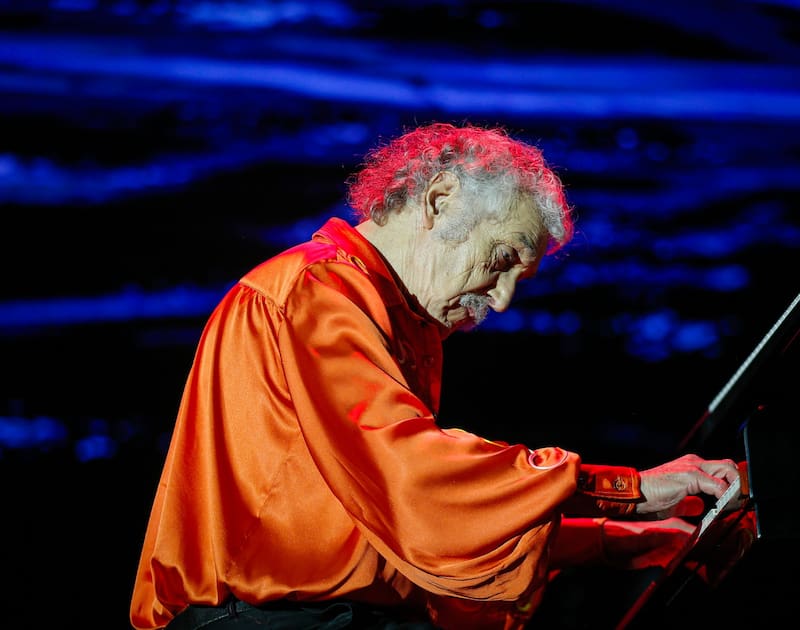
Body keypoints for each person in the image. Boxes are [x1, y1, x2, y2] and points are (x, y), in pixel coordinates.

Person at [130, 122, 746, 630]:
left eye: (519, 279)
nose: (502, 300)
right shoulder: (319, 293)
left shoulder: (399, 319)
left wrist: (611, 538)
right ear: (439, 199)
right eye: (501, 260)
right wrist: (631, 490)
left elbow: (418, 526)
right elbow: (416, 480)